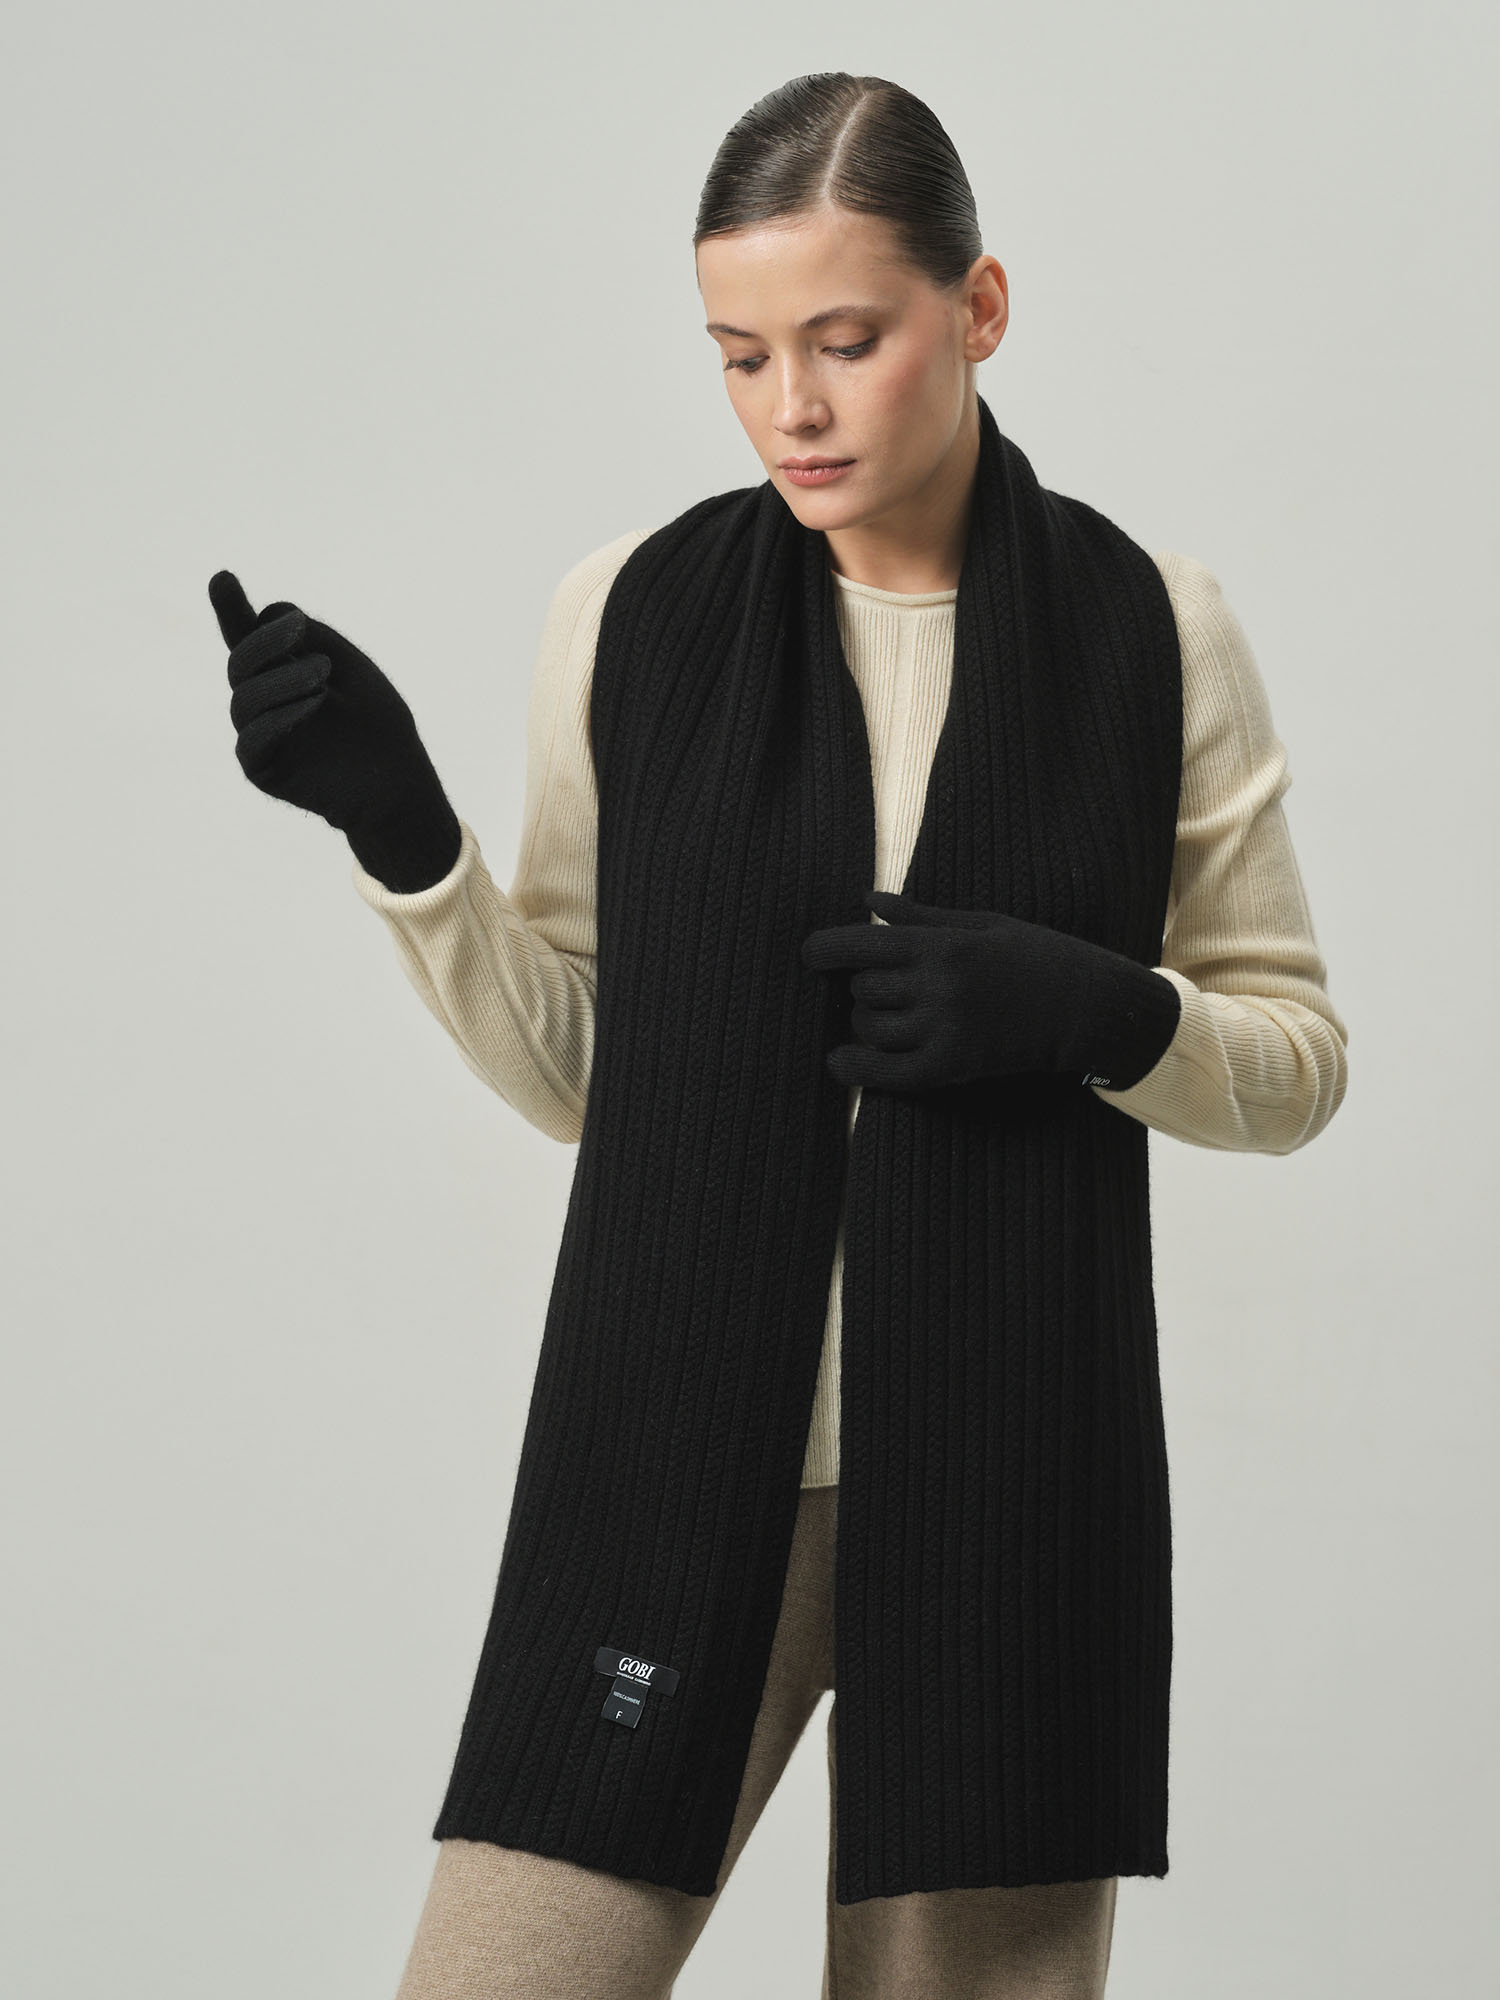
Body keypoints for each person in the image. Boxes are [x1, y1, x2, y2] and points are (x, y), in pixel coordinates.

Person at [209, 70, 1348, 2000]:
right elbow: (589, 1078)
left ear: (979, 309)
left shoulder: (1152, 626)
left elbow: (1297, 1061)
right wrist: (403, 836)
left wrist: (1097, 1011)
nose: (790, 410)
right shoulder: (637, 613)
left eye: (845, 341)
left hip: (1003, 1479)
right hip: (667, 1454)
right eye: (740, 357)